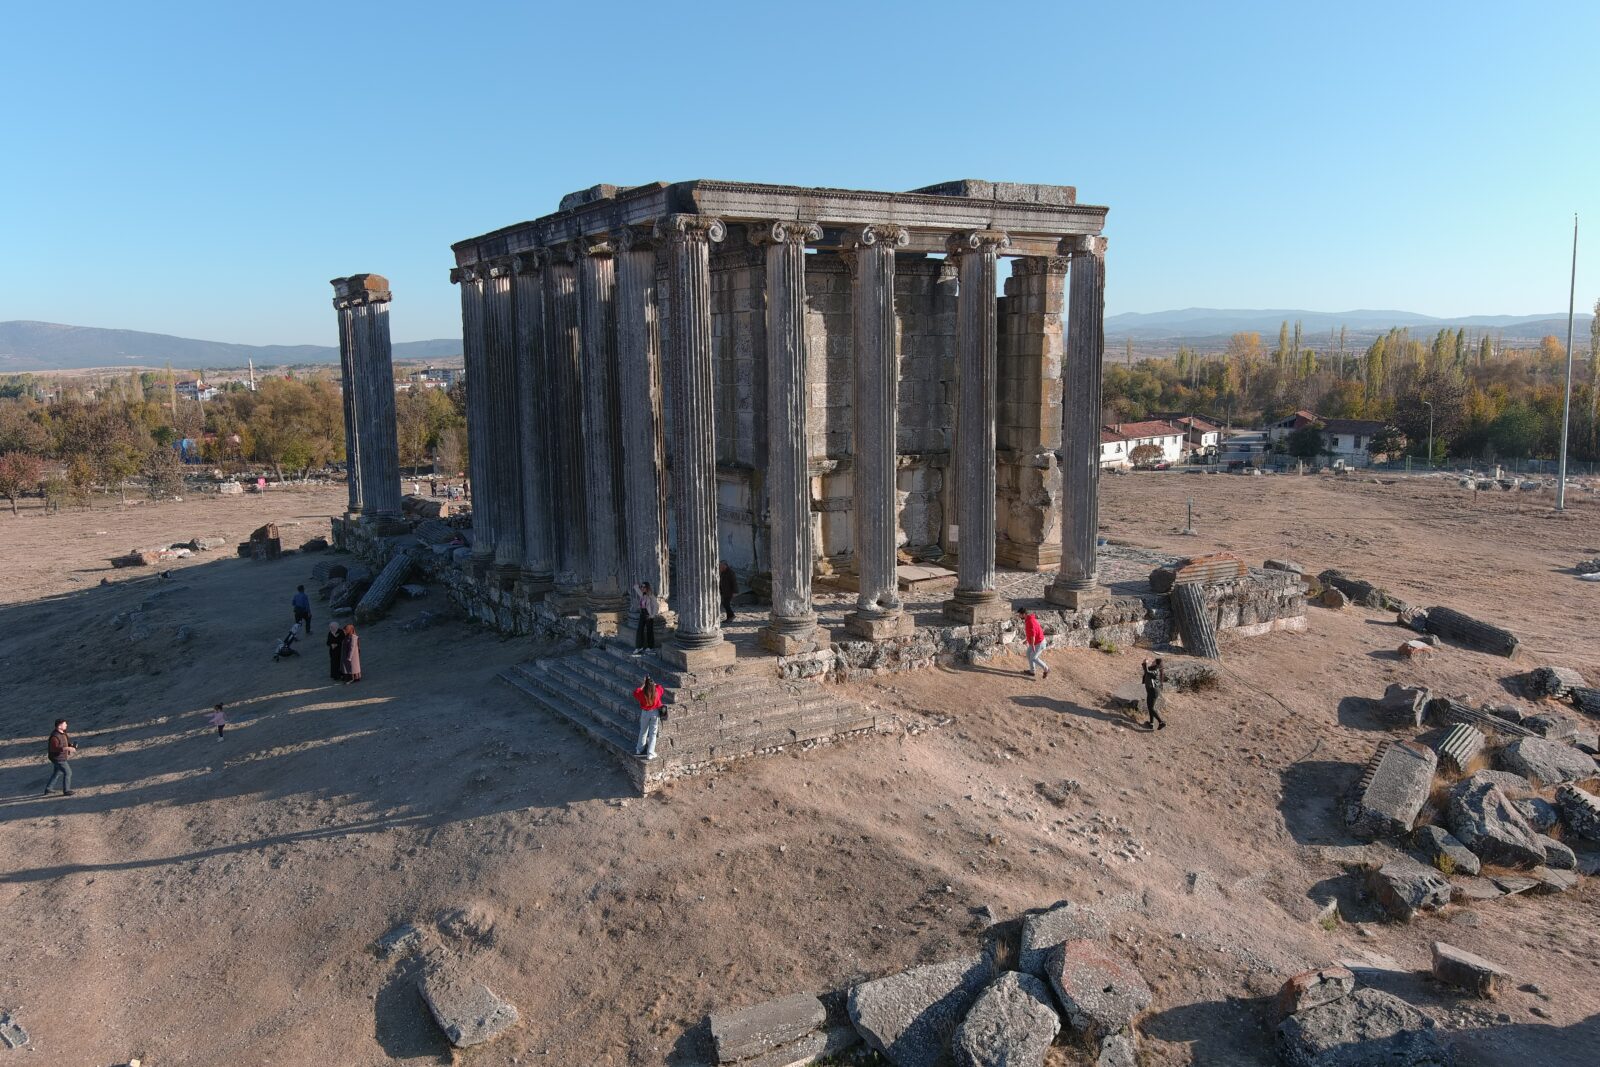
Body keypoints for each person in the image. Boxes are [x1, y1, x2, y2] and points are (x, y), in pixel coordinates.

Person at [634, 675, 667, 759]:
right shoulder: (657, 691)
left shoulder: (642, 694)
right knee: (653, 733)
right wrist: (653, 683)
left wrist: (644, 684)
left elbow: (636, 692)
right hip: (654, 713)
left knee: (643, 731)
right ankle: (650, 753)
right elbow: (661, 687)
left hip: (645, 713)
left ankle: (639, 749)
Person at [42, 719, 76, 796]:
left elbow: (65, 742)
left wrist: (70, 745)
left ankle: (48, 789)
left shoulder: (63, 733)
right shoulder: (54, 737)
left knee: (57, 772)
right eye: (65, 724)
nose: (66, 725)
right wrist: (67, 748)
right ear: (59, 726)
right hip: (57, 758)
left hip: (60, 757)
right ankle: (66, 790)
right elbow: (54, 748)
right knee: (68, 772)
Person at [1018, 607, 1049, 679]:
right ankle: (1032, 671)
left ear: (1024, 614)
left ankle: (1046, 669)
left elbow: (1033, 635)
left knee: (1033, 658)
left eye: (1019, 614)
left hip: (1039, 643)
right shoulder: (1028, 619)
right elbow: (1031, 633)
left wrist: (1032, 645)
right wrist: (1027, 640)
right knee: (1029, 654)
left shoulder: (1030, 622)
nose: (1019, 616)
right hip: (1036, 642)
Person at [631, 581, 659, 656]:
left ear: (647, 588)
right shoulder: (642, 595)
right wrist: (637, 585)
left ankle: (650, 647)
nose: (642, 588)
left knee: (649, 631)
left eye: (644, 587)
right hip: (642, 614)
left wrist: (652, 615)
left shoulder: (651, 596)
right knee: (639, 629)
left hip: (648, 614)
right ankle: (639, 647)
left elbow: (656, 606)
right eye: (641, 587)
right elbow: (636, 588)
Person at [1140, 657, 1167, 730]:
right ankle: (1151, 724)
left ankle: (1161, 722)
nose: (1152, 662)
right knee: (1150, 707)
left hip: (1153, 691)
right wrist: (1145, 664)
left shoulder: (1156, 670)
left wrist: (1145, 663)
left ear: (1157, 663)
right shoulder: (1153, 669)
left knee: (1151, 708)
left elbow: (1148, 672)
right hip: (1152, 691)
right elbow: (1147, 671)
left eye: (1154, 661)